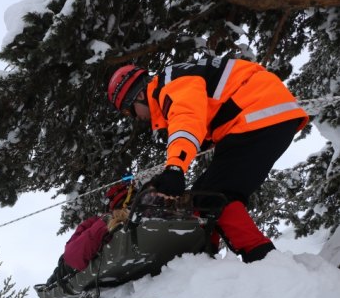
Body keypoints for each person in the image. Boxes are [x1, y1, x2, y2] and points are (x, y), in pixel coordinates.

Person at [107, 57, 309, 262]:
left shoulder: (170, 83)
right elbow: (203, 116)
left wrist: (175, 168)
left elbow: (186, 119)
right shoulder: (172, 81)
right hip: (257, 114)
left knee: (216, 197)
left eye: (128, 110)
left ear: (139, 94)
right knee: (199, 200)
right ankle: (201, 260)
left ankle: (265, 262)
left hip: (258, 114)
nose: (133, 117)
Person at [47, 182, 135, 285]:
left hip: (73, 258)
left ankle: (54, 279)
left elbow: (84, 235)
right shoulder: (104, 221)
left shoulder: (102, 221)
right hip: (73, 256)